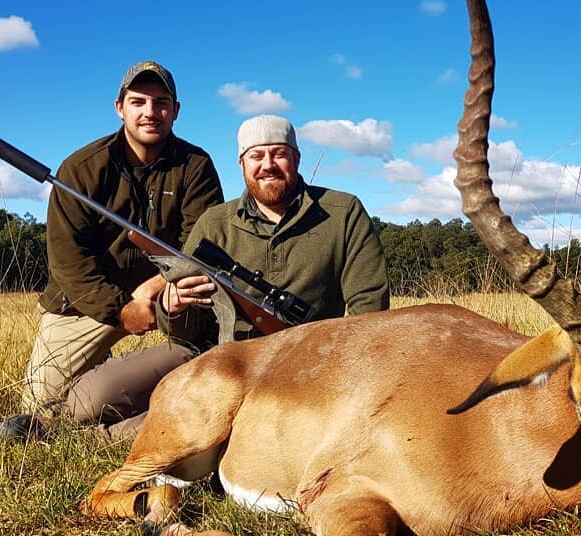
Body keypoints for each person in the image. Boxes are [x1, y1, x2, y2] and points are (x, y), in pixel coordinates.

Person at [67, 114, 390, 437]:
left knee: (219, 425)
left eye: (279, 153)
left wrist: (337, 373)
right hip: (210, 352)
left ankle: (99, 438)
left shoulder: (343, 212)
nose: (268, 165)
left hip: (304, 365)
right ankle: (60, 419)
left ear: (296, 158)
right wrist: (173, 307)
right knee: (89, 400)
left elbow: (369, 308)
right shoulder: (214, 223)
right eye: (256, 156)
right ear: (241, 163)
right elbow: (183, 333)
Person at [0, 60, 224, 441]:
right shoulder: (81, 169)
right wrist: (120, 308)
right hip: (87, 305)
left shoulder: (196, 165)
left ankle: (157, 396)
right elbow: (70, 264)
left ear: (176, 110)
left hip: (167, 295)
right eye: (138, 102)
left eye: (161, 102)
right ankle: (104, 382)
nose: (150, 112)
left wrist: (151, 291)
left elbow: (199, 245)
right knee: (42, 413)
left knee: (212, 367)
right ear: (120, 107)